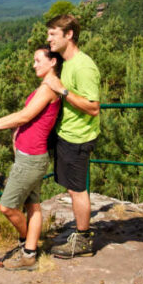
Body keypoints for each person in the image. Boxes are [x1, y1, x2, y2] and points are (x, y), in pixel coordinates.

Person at [0, 45, 63, 271]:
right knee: (33, 206)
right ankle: (29, 252)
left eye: (38, 60)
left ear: (52, 62)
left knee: (6, 207)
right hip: (34, 157)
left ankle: (28, 245)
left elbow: (25, 116)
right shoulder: (48, 86)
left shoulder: (48, 88)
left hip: (31, 158)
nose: (33, 64)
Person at [43, 14, 100, 258]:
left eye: (53, 34)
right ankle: (80, 232)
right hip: (67, 135)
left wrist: (61, 89)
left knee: (78, 190)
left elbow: (93, 106)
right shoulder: (67, 62)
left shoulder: (83, 66)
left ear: (69, 35)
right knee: (72, 188)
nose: (48, 39)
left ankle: (84, 240)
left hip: (78, 138)